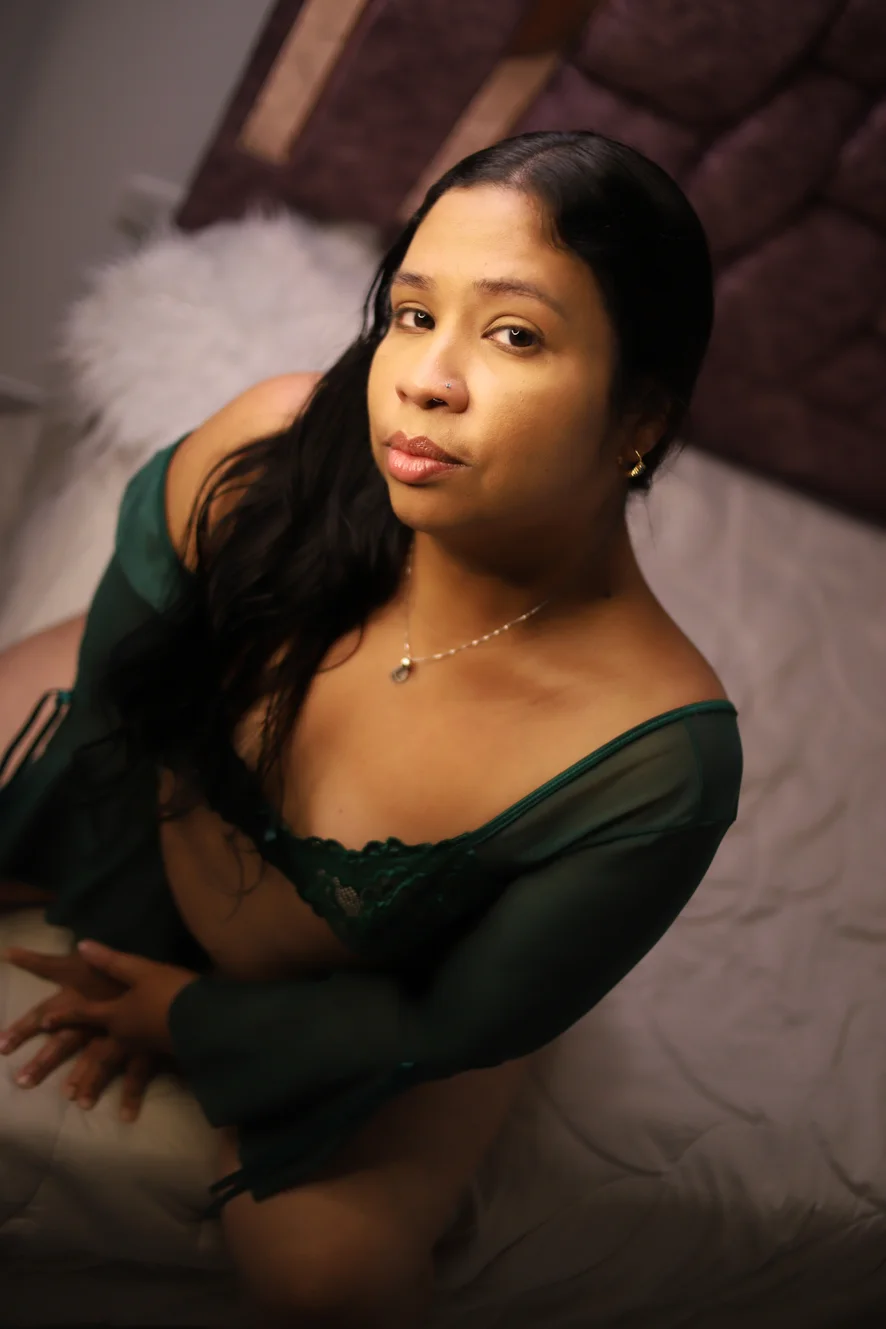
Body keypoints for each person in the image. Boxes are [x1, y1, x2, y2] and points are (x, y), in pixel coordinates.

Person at [0, 130, 741, 1328]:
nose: (425, 378)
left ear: (639, 419)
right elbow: (113, 701)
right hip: (153, 786)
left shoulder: (648, 764)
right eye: (411, 313)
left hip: (371, 983)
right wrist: (89, 886)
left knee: (330, 1284)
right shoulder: (268, 454)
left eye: (514, 335)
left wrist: (186, 1017)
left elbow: (449, 1019)